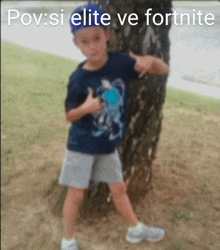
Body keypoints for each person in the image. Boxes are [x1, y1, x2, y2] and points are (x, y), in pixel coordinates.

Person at [58, 4, 169, 250]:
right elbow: (69, 115)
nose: (93, 46)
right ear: (76, 43)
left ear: (107, 34)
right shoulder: (78, 79)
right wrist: (85, 109)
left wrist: (150, 60)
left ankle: (135, 229)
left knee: (119, 188)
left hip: (108, 144)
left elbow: (164, 70)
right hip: (82, 145)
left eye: (97, 38)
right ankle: (67, 241)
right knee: (76, 194)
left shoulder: (120, 62)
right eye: (85, 41)